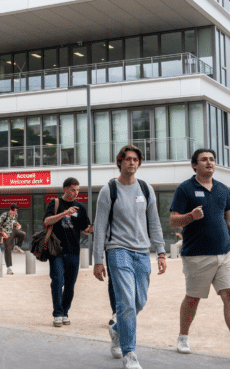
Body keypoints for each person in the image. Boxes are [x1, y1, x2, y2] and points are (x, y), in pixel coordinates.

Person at [169, 148, 230, 364]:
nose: (209, 163)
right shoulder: (185, 189)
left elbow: (229, 221)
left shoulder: (222, 189)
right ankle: (183, 337)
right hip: (196, 255)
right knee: (193, 298)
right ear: (195, 165)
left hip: (225, 252)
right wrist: (191, 216)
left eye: (212, 159)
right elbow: (174, 220)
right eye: (204, 160)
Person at [93, 144, 167, 369]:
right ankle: (130, 354)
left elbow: (154, 223)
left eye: (135, 159)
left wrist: (161, 251)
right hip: (118, 250)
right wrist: (98, 260)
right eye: (127, 159)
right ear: (120, 162)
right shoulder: (109, 190)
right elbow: (100, 227)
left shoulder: (145, 190)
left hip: (142, 252)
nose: (132, 163)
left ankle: (116, 330)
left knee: (139, 302)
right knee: (125, 302)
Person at [44, 177, 93, 328]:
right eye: (73, 190)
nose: (76, 193)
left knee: (70, 285)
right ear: (65, 189)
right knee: (58, 280)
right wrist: (65, 213)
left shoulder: (80, 207)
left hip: (74, 251)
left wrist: (91, 229)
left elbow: (85, 229)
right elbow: (47, 221)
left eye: (78, 190)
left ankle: (65, 312)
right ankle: (57, 314)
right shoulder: (55, 203)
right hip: (56, 250)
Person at [0, 204, 26, 275]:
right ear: (10, 209)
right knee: (8, 249)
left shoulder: (16, 215)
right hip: (6, 234)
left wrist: (19, 225)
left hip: (13, 231)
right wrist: (2, 235)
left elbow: (15, 222)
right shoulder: (4, 215)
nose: (15, 213)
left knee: (22, 234)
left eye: (16, 211)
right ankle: (8, 268)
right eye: (14, 211)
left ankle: (17, 247)